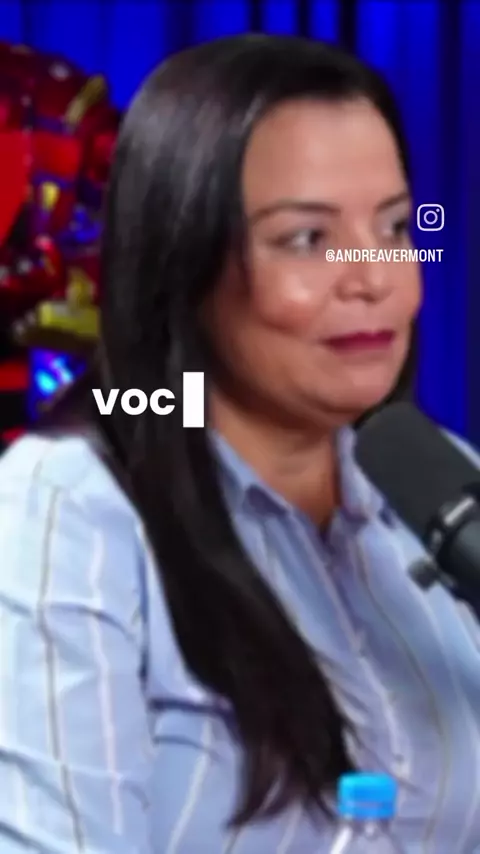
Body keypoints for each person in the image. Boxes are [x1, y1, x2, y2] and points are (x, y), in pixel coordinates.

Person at [0, 33, 479, 854]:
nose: (374, 278)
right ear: (183, 265)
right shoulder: (69, 507)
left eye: (395, 228)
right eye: (308, 240)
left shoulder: (448, 483)